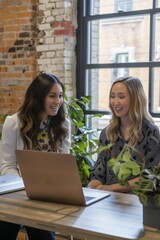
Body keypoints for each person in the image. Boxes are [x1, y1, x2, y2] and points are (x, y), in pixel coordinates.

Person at [0, 72, 71, 240]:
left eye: (60, 96)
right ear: (39, 97)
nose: (58, 102)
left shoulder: (63, 124)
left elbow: (63, 166)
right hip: (16, 193)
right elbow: (7, 165)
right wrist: (27, 188)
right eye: (52, 96)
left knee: (42, 234)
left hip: (47, 195)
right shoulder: (13, 123)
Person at [88, 76, 160, 192]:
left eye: (121, 97)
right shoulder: (107, 133)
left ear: (135, 99)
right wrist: (92, 188)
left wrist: (111, 188)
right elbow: (98, 173)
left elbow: (151, 176)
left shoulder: (151, 133)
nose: (115, 102)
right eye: (112, 96)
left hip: (139, 204)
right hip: (109, 202)